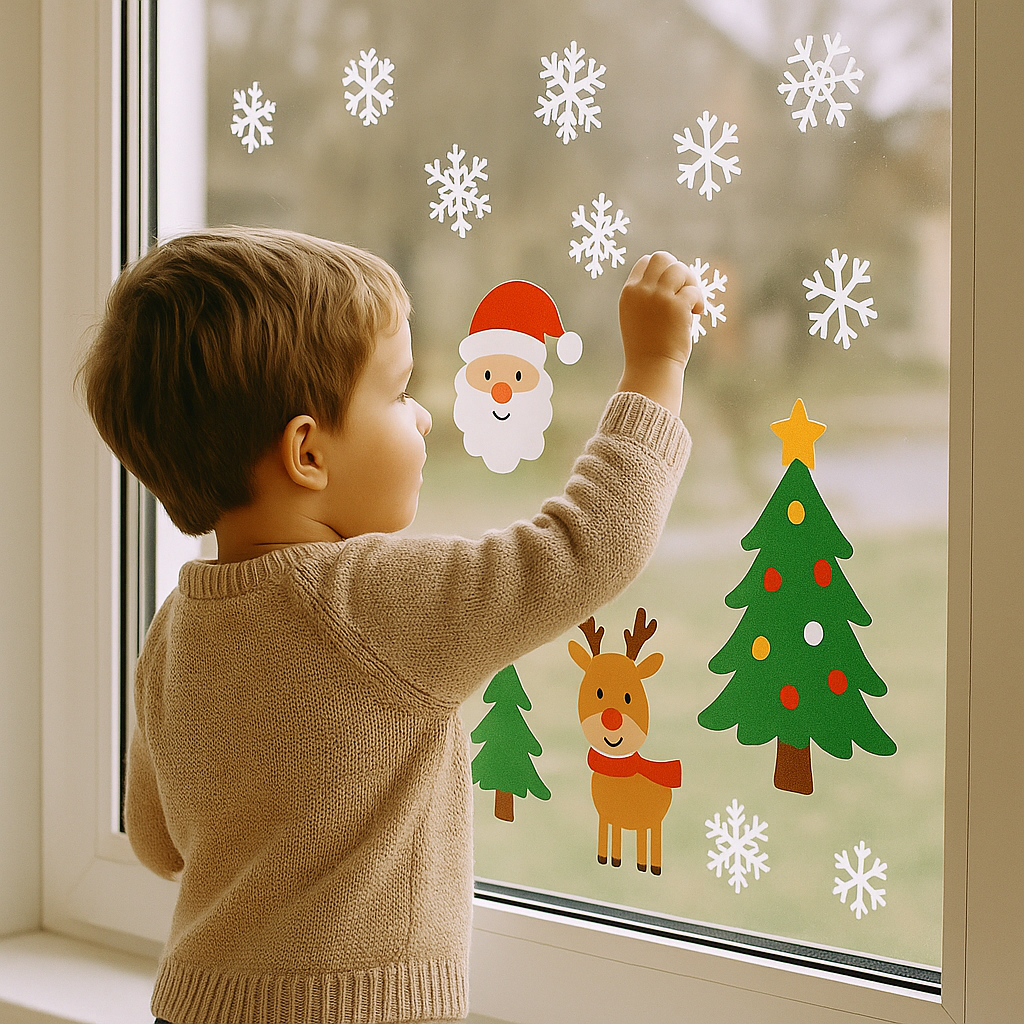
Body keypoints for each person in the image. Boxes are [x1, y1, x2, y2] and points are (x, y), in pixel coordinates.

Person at [74, 227, 703, 1024]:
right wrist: (656, 369)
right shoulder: (372, 602)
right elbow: (586, 550)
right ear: (307, 452)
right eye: (401, 394)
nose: (425, 420)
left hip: (195, 1005)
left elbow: (159, 845)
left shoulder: (174, 632)